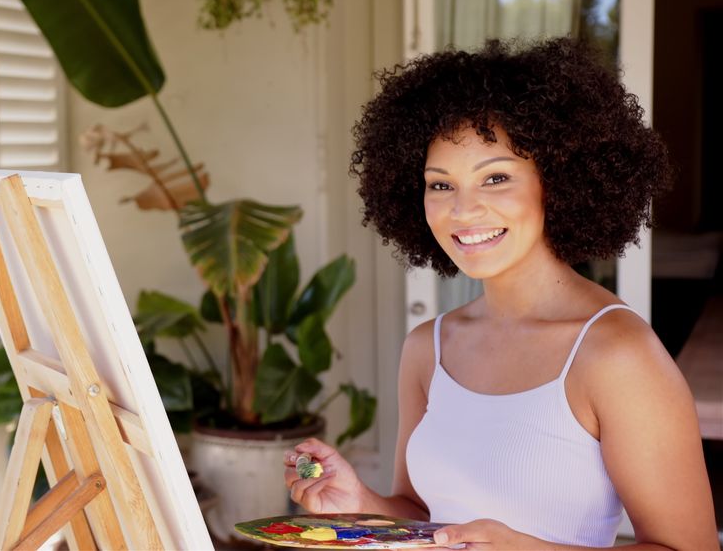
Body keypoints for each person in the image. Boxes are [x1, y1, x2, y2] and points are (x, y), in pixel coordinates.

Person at [284, 38, 718, 549]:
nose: (463, 211)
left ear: (555, 182)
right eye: (440, 184)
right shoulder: (430, 347)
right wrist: (360, 502)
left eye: (495, 177)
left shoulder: (616, 353)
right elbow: (423, 518)